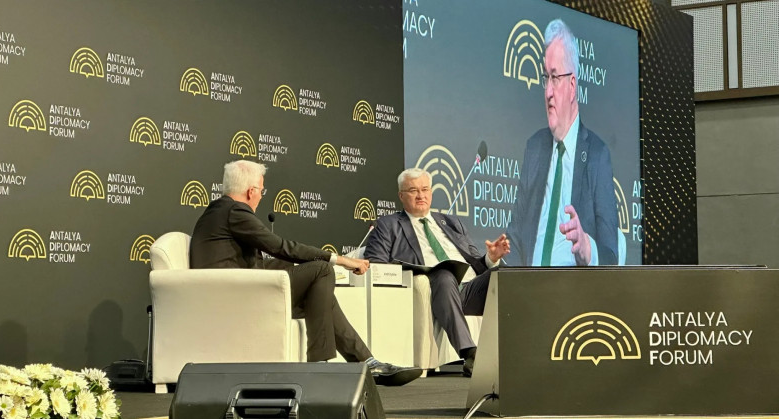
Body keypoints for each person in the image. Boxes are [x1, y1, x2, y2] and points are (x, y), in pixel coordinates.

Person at [189, 159, 422, 386]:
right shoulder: (235, 211)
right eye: (261, 190)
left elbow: (255, 263)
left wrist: (299, 269)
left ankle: (367, 363)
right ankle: (320, 363)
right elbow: (280, 247)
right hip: (236, 297)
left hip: (234, 290)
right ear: (251, 192)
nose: (261, 196)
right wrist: (339, 260)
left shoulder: (219, 211)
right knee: (322, 270)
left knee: (319, 292)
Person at [363, 168, 510, 377]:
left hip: (469, 289)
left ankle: (523, 350)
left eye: (425, 189)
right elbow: (375, 265)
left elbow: (476, 265)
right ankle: (470, 354)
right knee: (444, 275)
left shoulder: (451, 223)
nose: (420, 195)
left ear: (431, 193)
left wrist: (491, 258)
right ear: (401, 196)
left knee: (506, 275)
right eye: (413, 190)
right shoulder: (388, 225)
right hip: (436, 286)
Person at [505, 19, 618, 267]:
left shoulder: (597, 155)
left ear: (572, 85)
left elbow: (611, 254)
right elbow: (514, 238)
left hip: (572, 286)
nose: (548, 91)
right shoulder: (534, 148)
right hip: (528, 284)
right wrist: (494, 260)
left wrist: (587, 248)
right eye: (545, 78)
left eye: (555, 78)